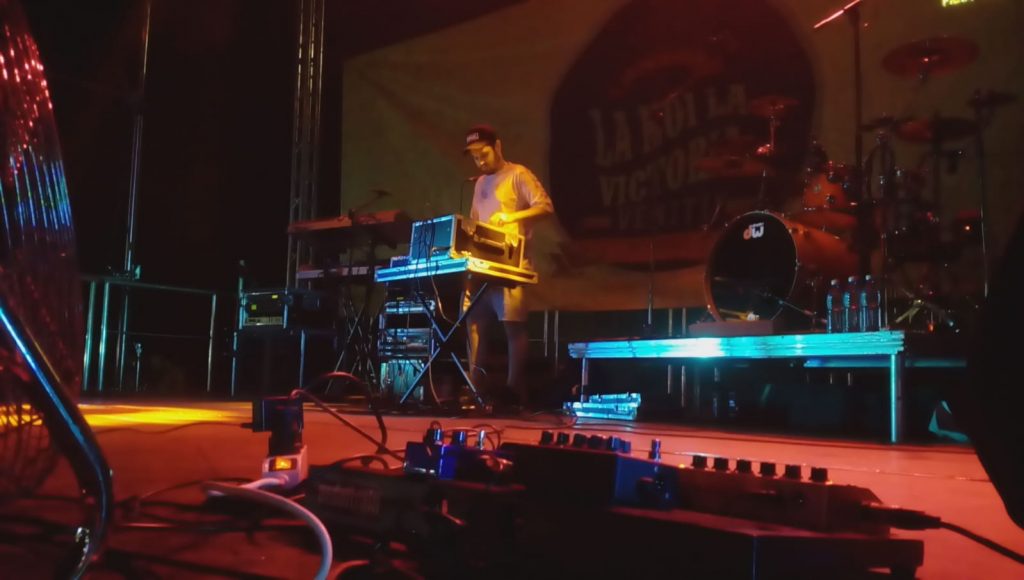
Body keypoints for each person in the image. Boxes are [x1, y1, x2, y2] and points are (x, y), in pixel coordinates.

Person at [462, 124, 554, 412]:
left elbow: (545, 206)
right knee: (474, 322)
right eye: (475, 157)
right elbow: (475, 221)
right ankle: (476, 388)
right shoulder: (479, 183)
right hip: (482, 266)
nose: (480, 161)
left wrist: (511, 216)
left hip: (510, 266)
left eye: (484, 154)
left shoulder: (518, 174)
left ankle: (514, 390)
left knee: (512, 326)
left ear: (498, 147)